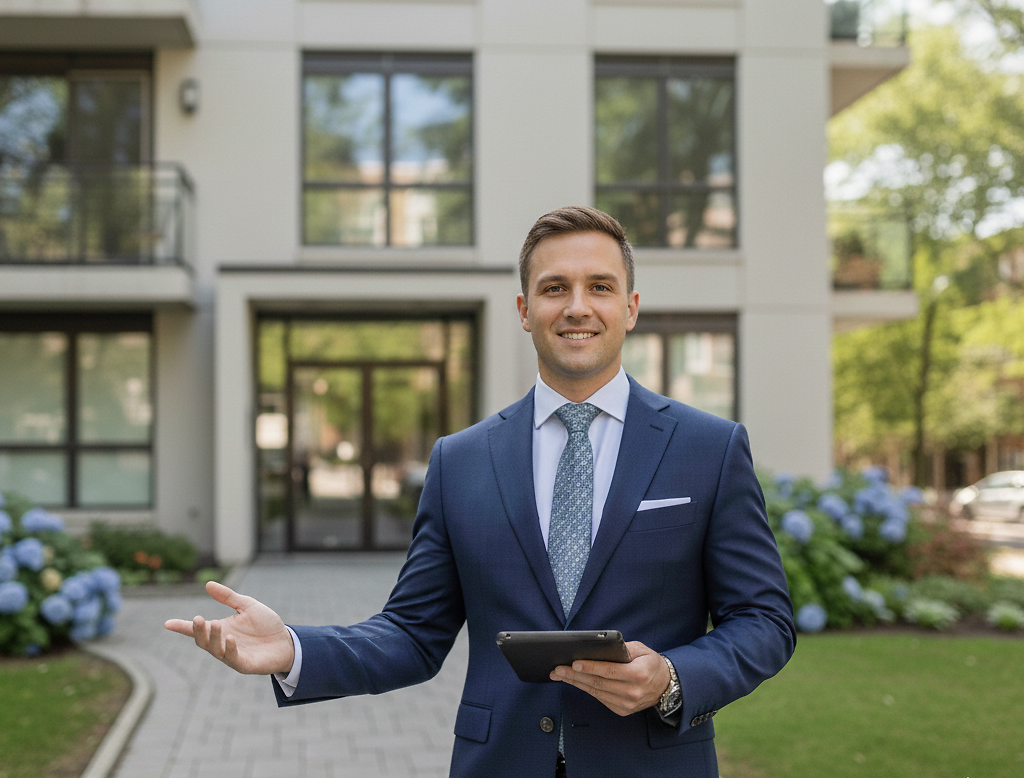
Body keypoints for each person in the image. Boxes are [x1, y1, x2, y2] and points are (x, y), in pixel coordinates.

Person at [166, 206, 796, 778]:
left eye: (599, 287)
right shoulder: (460, 460)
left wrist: (674, 677)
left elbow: (764, 620)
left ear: (630, 307)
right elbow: (413, 634)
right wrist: (295, 650)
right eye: (555, 289)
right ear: (525, 311)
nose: (577, 307)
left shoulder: (709, 449)